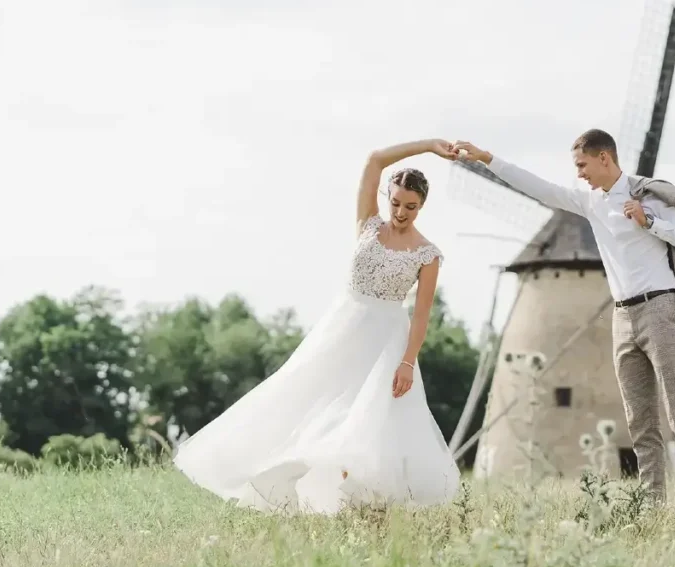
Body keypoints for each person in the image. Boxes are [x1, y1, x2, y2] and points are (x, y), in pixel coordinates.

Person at [173, 138, 461, 515]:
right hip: (342, 330)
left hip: (387, 342)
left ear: (422, 206)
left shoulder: (428, 254)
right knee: (303, 402)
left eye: (411, 207)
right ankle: (286, 485)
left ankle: (354, 504)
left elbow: (421, 315)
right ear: (386, 195)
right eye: (395, 202)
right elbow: (374, 158)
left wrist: (408, 361)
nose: (401, 212)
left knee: (366, 420)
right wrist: (428, 147)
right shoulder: (368, 225)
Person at [450, 130, 675, 507]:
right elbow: (538, 188)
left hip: (661, 309)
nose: (579, 174)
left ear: (605, 158)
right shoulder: (591, 204)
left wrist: (649, 222)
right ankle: (652, 505)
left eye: (582, 165)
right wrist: (487, 158)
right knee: (640, 420)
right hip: (622, 316)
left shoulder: (649, 196)